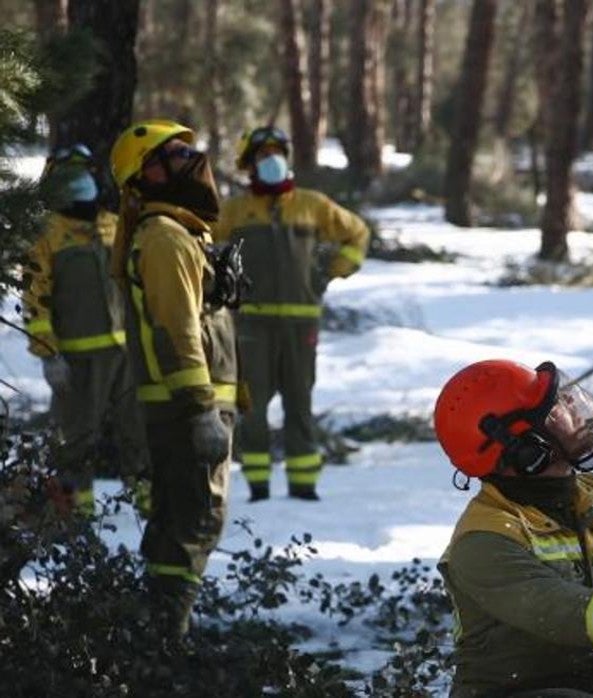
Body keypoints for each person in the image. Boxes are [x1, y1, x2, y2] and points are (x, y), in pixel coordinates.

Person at [434, 359, 593, 698]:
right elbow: (563, 614)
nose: (571, 404)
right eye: (553, 407)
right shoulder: (484, 540)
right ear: (526, 450)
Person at [110, 119, 239, 637]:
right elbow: (179, 330)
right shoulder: (164, 238)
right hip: (185, 408)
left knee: (178, 520)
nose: (193, 159)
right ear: (149, 176)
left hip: (190, 404)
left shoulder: (179, 232)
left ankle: (161, 632)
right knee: (194, 521)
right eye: (177, 152)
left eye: (189, 148)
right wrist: (201, 408)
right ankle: (168, 639)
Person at [213, 126, 370, 502]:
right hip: (252, 324)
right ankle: (259, 486)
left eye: (276, 152)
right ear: (249, 164)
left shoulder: (313, 204)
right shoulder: (235, 210)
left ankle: (303, 486)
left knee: (300, 403)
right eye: (262, 154)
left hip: (302, 324)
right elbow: (202, 242)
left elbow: (358, 234)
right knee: (253, 407)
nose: (271, 160)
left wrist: (332, 269)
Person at [22, 143, 148, 515]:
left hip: (126, 352)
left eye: (83, 171)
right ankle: (77, 514)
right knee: (75, 440)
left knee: (138, 431)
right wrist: (48, 354)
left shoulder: (114, 224)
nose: (79, 180)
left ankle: (147, 504)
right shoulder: (46, 235)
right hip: (76, 359)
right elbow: (35, 297)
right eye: (68, 173)